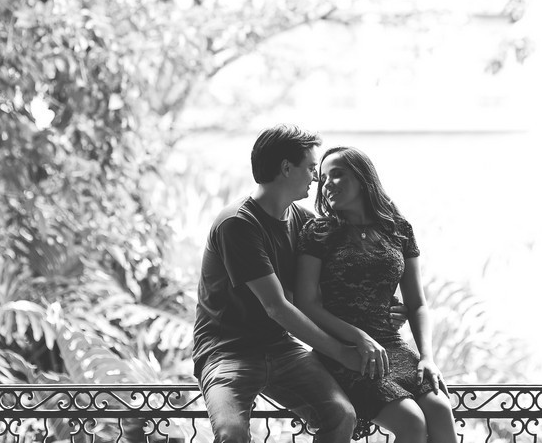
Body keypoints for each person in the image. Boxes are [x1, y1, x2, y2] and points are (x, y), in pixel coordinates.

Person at [193, 125, 387, 443]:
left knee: (342, 415)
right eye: (311, 168)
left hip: (281, 348)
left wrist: (381, 315)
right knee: (231, 433)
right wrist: (343, 353)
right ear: (286, 168)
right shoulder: (237, 224)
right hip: (227, 351)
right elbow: (277, 307)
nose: (317, 178)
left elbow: (334, 288)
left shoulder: (304, 221)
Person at [295, 146, 457, 443]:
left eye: (337, 174)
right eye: (323, 178)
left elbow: (417, 304)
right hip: (345, 352)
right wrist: (359, 337)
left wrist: (427, 358)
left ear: (362, 178)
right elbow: (306, 303)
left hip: (393, 346)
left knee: (440, 410)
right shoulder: (318, 231)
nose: (327, 184)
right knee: (411, 422)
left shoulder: (399, 229)